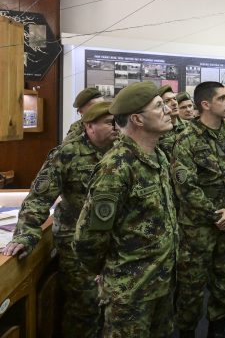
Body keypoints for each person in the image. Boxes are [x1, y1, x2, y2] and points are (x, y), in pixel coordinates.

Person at [3, 102, 117, 338]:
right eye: (109, 122)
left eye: (117, 122)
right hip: (76, 242)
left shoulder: (121, 152)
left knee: (114, 306)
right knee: (84, 306)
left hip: (113, 242)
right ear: (89, 126)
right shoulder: (67, 154)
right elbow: (38, 199)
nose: (116, 127)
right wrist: (26, 234)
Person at [73, 82, 178, 338]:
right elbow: (88, 240)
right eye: (159, 106)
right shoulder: (116, 167)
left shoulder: (158, 157)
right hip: (130, 294)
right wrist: (110, 272)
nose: (168, 110)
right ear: (137, 120)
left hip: (161, 284)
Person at [172, 82, 225, 338]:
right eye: (222, 98)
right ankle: (187, 332)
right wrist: (217, 214)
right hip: (197, 229)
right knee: (191, 285)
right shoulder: (186, 139)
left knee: (224, 280)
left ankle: (217, 329)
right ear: (205, 104)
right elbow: (186, 188)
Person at [157, 85, 188, 161]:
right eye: (167, 101)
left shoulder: (188, 126)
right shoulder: (158, 131)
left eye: (174, 99)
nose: (174, 103)